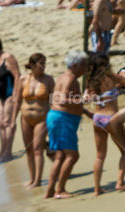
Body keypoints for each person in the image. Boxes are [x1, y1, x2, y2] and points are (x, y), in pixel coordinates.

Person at [85, 53, 125, 194]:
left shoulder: (91, 80)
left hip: (97, 119)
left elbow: (86, 98)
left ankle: (97, 188)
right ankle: (119, 183)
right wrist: (124, 74)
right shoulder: (112, 76)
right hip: (111, 119)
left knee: (100, 155)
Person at [46, 51, 91, 199]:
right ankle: (60, 190)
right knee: (72, 155)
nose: (86, 69)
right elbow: (63, 100)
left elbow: (57, 99)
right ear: (76, 65)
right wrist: (82, 100)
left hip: (57, 118)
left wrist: (84, 110)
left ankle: (51, 190)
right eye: (84, 65)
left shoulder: (63, 77)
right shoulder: (71, 79)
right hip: (63, 120)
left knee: (60, 156)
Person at [12, 53, 54, 188]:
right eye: (40, 63)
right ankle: (31, 178)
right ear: (32, 65)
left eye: (44, 63)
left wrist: (55, 120)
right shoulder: (23, 79)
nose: (43, 66)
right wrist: (12, 120)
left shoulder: (48, 80)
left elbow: (53, 101)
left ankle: (38, 180)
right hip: (25, 118)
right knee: (29, 149)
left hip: (42, 118)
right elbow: (17, 100)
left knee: (37, 149)